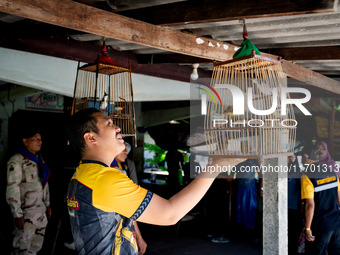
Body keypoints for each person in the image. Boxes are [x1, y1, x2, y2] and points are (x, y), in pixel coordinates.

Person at [66, 108, 244, 255]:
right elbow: (170, 214)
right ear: (91, 138)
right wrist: (216, 166)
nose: (118, 128)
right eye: (109, 123)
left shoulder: (82, 174)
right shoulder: (104, 179)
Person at [6, 128, 51, 254]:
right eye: (35, 139)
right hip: (26, 214)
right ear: (25, 141)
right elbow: (12, 187)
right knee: (21, 248)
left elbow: (44, 184)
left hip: (40, 213)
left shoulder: (39, 160)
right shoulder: (17, 160)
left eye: (40, 139)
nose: (39, 142)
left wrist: (47, 204)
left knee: (35, 248)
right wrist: (17, 214)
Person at [301, 147, 340, 255]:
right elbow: (339, 198)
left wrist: (307, 228)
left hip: (321, 225)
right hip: (336, 223)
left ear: (306, 158)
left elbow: (310, 205)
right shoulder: (332, 174)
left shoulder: (307, 176)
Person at [114, 142, 147, 255]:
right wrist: (139, 237)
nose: (126, 152)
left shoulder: (127, 165)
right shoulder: (111, 173)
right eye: (122, 149)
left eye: (126, 150)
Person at [287, 154, 303, 255]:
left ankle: (292, 249)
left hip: (294, 206)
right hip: (283, 205)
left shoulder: (298, 172)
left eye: (291, 158)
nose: (289, 159)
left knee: (293, 230)